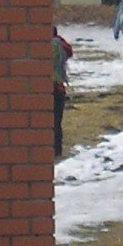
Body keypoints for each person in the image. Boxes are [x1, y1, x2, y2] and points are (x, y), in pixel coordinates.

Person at [51, 26, 74, 158]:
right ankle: (57, 150)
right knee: (57, 122)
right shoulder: (61, 45)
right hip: (59, 87)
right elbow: (69, 52)